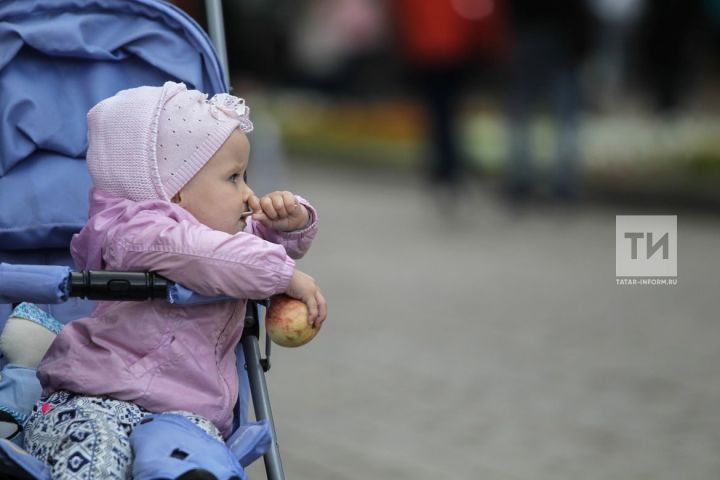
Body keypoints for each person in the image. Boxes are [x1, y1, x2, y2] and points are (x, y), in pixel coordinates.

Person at [19, 81, 327, 479]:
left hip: (186, 414)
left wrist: (291, 224)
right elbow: (203, 252)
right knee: (95, 453)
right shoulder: (136, 232)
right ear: (175, 193)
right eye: (234, 178)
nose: (250, 196)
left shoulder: (225, 243)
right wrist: (283, 275)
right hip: (93, 399)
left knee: (191, 457)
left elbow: (245, 252)